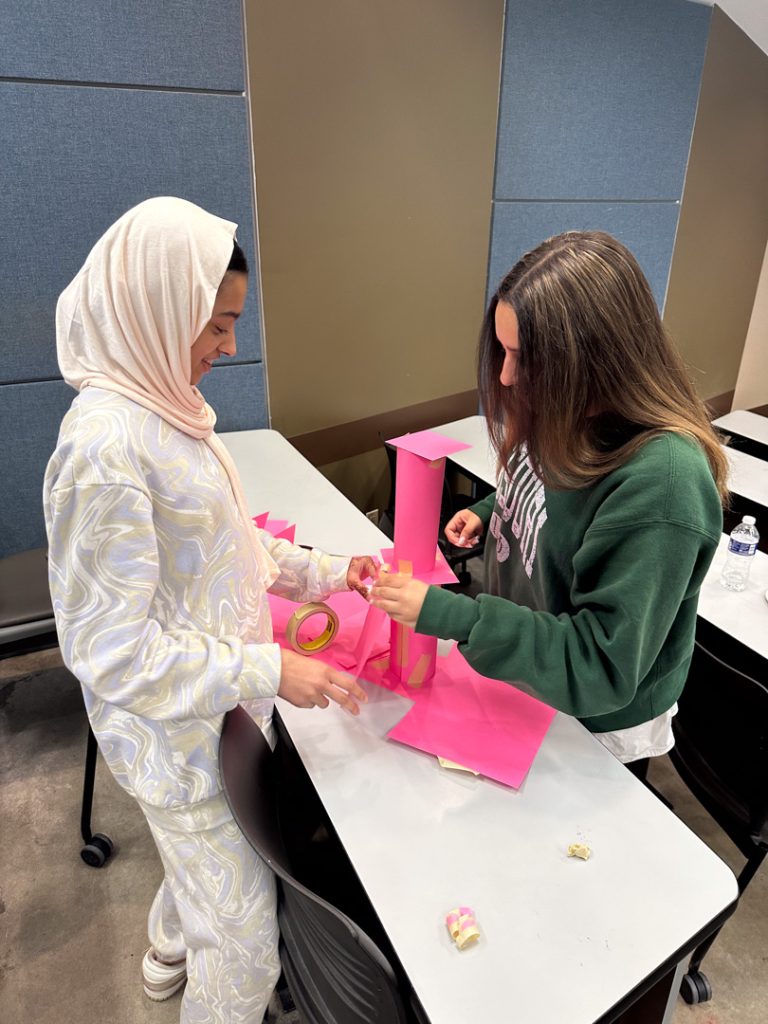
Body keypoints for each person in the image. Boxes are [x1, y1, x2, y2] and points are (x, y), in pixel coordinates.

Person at [44, 197, 376, 1022]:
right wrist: (271, 668)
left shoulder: (166, 405)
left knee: (198, 868)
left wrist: (333, 573)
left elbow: (229, 544)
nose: (228, 347)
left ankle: (167, 949)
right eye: (217, 324)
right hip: (179, 743)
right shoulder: (104, 452)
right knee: (246, 950)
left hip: (218, 714)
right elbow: (111, 652)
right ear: (158, 307)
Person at [371, 230, 728, 773]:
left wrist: (454, 616)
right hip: (530, 673)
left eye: (524, 358)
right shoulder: (564, 406)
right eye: (504, 352)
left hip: (591, 722)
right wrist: (492, 510)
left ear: (593, 359)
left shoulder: (665, 485)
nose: (505, 376)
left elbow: (599, 666)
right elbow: (550, 488)